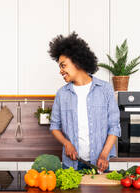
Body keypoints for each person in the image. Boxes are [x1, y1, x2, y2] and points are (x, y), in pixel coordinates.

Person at [48, 32, 121, 172]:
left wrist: (104, 155)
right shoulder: (62, 94)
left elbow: (114, 127)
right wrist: (66, 143)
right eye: (60, 67)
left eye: (63, 66)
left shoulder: (105, 89)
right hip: (71, 164)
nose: (61, 71)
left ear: (77, 61)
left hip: (100, 163)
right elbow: (54, 126)